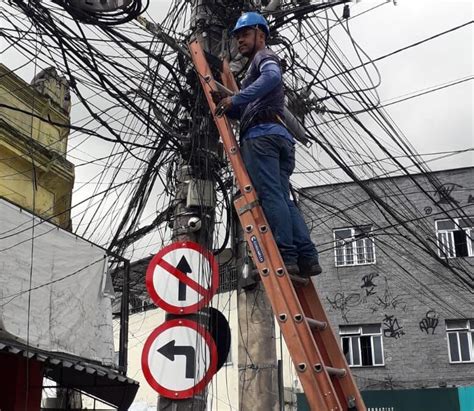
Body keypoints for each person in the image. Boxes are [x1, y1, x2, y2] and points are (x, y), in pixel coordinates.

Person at [213, 12, 322, 277]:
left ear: (261, 35)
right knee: (282, 198)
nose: (240, 40)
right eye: (238, 36)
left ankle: (287, 255)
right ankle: (307, 257)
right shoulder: (255, 70)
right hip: (279, 135)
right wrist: (227, 104)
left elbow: (273, 78)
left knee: (272, 196)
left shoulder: (264, 58)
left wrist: (236, 100)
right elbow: (246, 109)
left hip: (262, 137)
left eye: (245, 34)